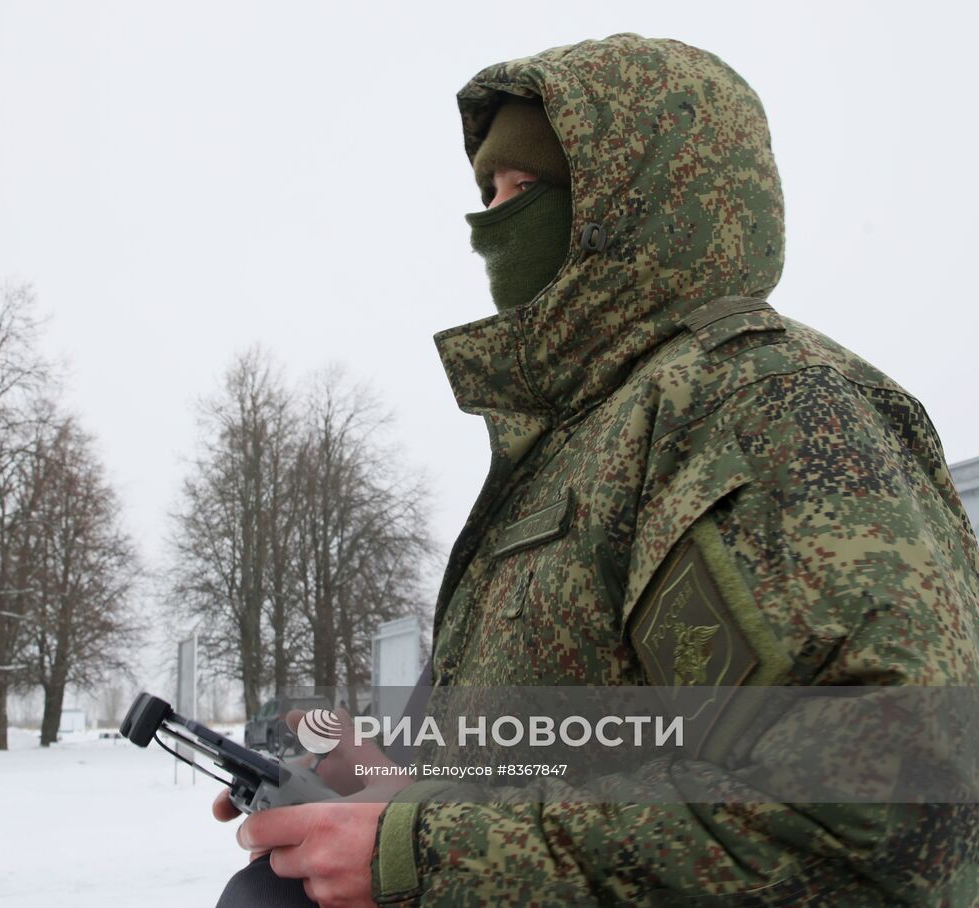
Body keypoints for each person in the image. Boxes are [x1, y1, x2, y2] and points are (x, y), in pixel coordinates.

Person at [213, 33, 979, 906]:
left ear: (636, 196)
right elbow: (571, 756)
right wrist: (381, 794)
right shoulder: (577, 448)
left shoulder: (758, 408)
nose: (491, 226)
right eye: (487, 194)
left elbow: (883, 817)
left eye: (525, 190)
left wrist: (420, 859)